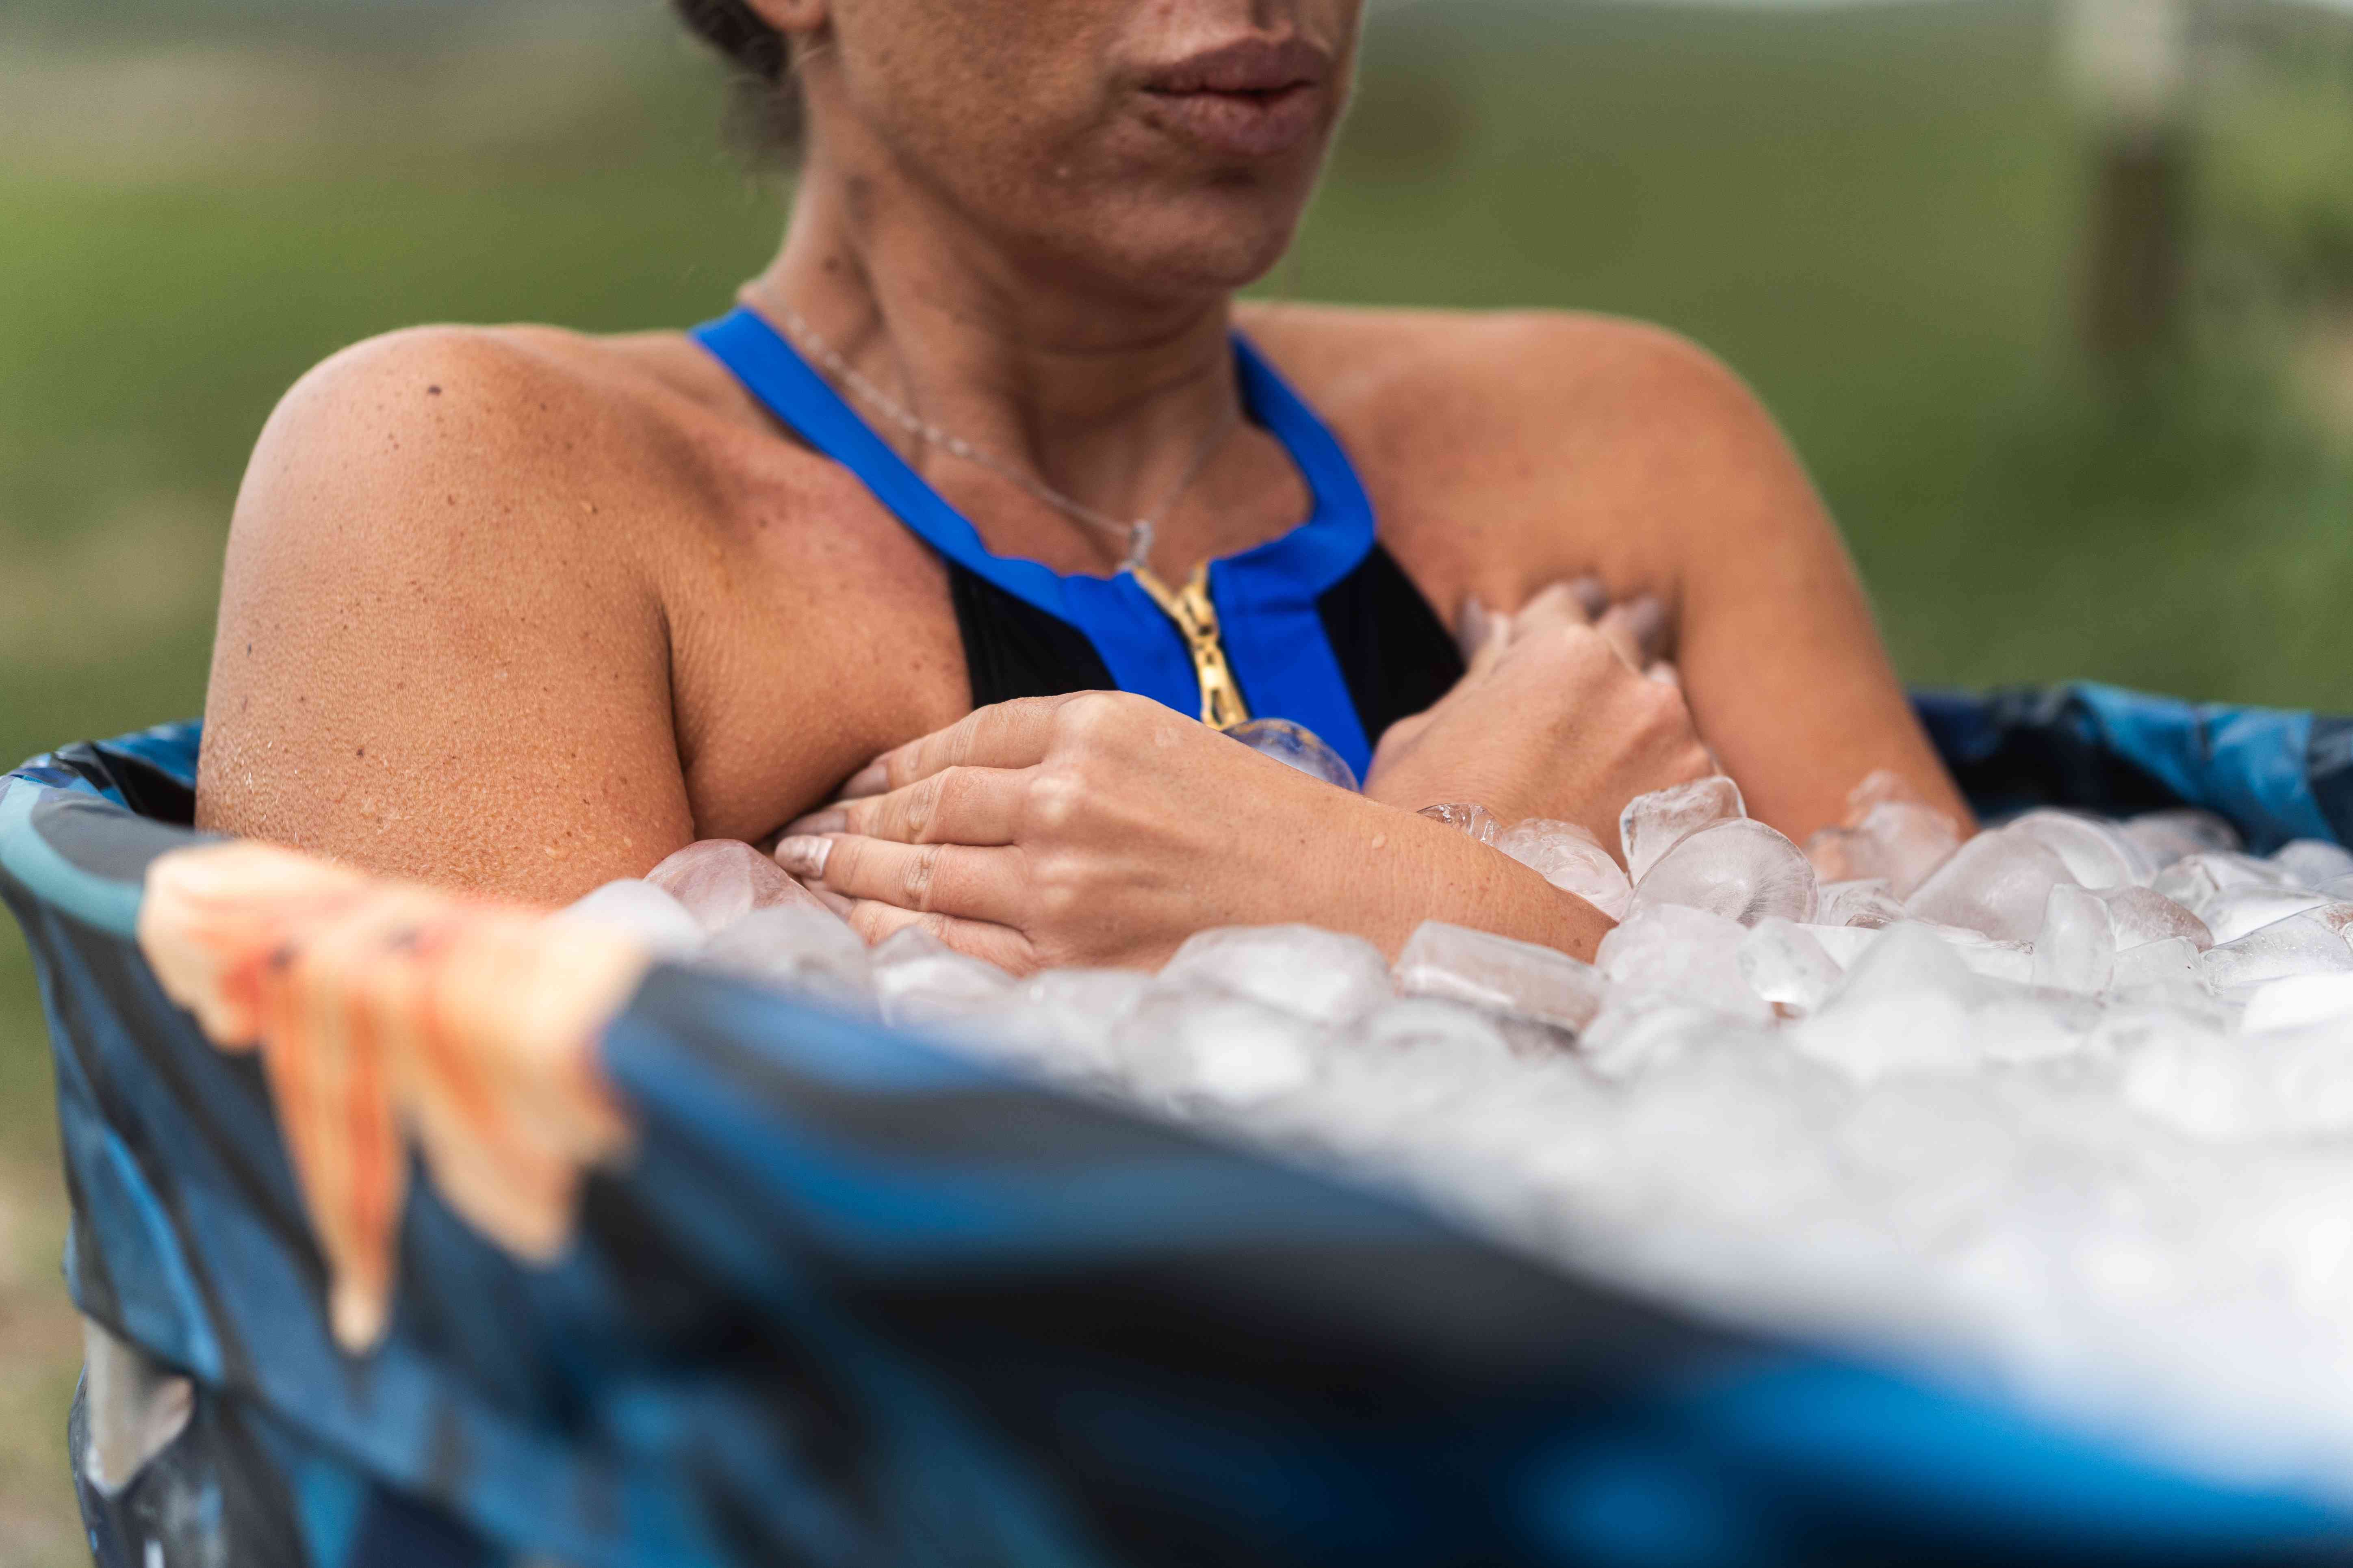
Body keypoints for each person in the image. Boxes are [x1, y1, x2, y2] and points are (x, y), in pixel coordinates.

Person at [195, 0, 1969, 973]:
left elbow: (2061, 1111)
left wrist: (1358, 899)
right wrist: (1484, 902)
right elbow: (501, 1296)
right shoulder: (485, 480)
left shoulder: (1628, 442)